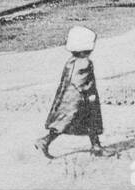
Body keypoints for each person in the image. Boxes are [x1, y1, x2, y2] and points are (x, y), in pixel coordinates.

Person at [35, 25, 105, 158]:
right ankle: (45, 141)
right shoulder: (85, 63)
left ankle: (96, 146)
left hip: (68, 97)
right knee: (88, 118)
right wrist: (90, 94)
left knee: (67, 120)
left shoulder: (70, 61)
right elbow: (82, 82)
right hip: (82, 98)